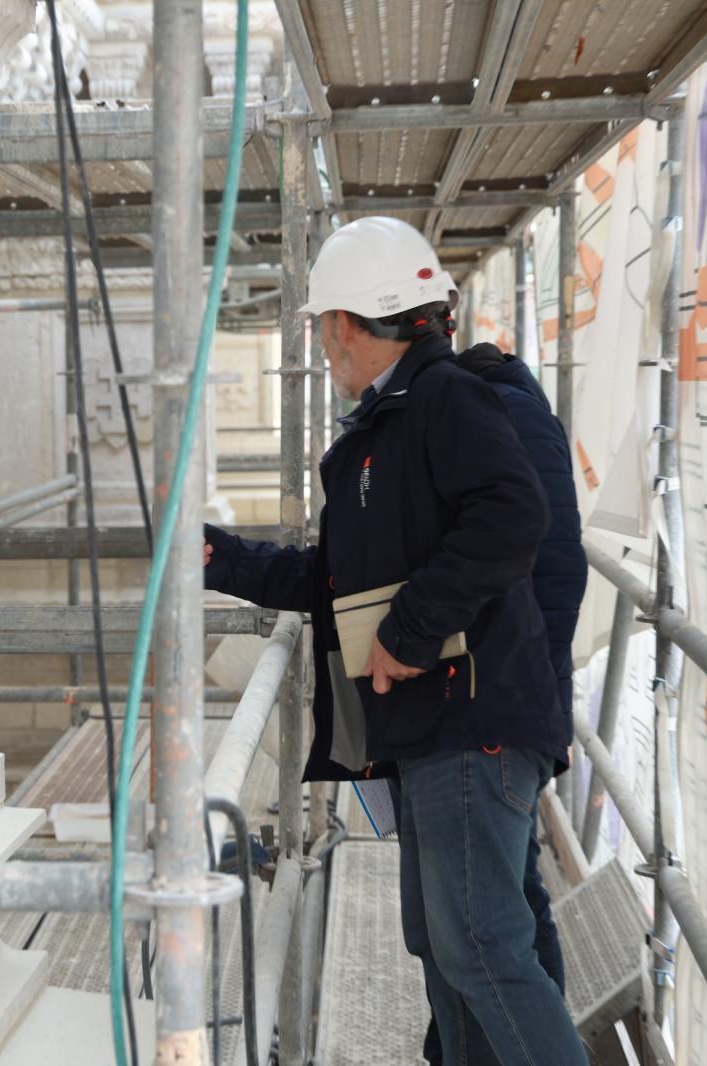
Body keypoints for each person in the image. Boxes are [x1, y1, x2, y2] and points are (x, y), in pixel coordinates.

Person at [202, 216, 585, 1066]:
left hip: (470, 722)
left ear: (343, 324)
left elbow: (515, 515)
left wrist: (412, 631)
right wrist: (221, 558)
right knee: (442, 944)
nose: (324, 348)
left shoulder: (445, 399)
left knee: (481, 948)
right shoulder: (393, 427)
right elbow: (335, 581)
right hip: (434, 728)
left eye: (322, 328)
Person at [391, 339, 588, 1064]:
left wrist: (414, 627)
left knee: (482, 940)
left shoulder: (483, 413)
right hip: (504, 703)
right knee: (495, 921)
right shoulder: (516, 409)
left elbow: (521, 563)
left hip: (484, 707)